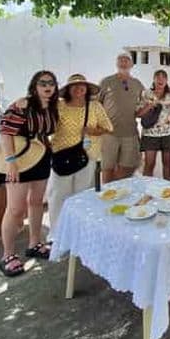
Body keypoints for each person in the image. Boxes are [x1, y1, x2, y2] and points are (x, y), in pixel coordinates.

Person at [0, 70, 59, 277]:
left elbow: (46, 132)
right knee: (15, 209)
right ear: (35, 85)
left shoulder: (51, 107)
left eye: (51, 83)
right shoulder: (22, 105)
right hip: (19, 160)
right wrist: (11, 162)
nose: (48, 87)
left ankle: (35, 243)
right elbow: (5, 133)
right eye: (43, 83)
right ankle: (7, 255)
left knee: (37, 201)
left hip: (40, 157)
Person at [47, 74, 113, 241]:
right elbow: (47, 126)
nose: (79, 88)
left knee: (83, 195)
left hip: (87, 155)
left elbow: (108, 127)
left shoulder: (95, 106)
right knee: (58, 195)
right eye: (74, 86)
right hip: (61, 155)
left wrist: (93, 131)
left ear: (87, 89)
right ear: (68, 89)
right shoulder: (59, 106)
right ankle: (56, 234)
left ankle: (80, 233)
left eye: (82, 85)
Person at [98, 53, 145, 183]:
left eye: (126, 60)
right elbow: (97, 105)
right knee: (107, 167)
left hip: (130, 133)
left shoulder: (137, 84)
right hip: (108, 133)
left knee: (130, 166)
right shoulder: (106, 82)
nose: (123, 62)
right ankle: (108, 197)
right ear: (116, 63)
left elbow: (144, 104)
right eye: (120, 60)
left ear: (132, 64)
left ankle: (115, 188)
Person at [137, 69, 170, 180]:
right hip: (150, 134)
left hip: (168, 133)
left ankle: (167, 189)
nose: (160, 79)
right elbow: (138, 114)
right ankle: (147, 190)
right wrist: (150, 105)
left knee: (167, 163)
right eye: (158, 77)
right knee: (149, 164)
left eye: (163, 77)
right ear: (154, 79)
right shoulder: (146, 93)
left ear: (166, 80)